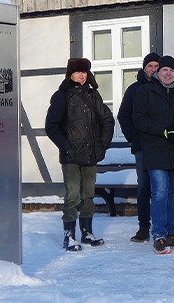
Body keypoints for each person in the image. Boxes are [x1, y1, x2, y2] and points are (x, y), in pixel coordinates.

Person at [45, 57, 115, 251]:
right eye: (77, 72)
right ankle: (69, 235)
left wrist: (102, 145)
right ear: (70, 74)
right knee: (72, 197)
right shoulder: (62, 96)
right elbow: (51, 126)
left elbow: (108, 120)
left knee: (88, 196)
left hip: (91, 155)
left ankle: (86, 233)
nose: (81, 76)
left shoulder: (93, 96)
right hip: (72, 157)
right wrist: (66, 146)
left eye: (84, 72)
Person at [133, 56, 174, 255]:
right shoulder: (145, 91)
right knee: (160, 193)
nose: (168, 73)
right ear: (158, 73)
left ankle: (171, 233)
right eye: (164, 70)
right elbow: (138, 119)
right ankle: (158, 235)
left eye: (172, 70)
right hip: (155, 150)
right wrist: (163, 131)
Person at [117, 52, 160, 242]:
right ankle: (144, 227)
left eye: (156, 66)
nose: (153, 70)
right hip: (142, 146)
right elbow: (123, 115)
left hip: (161, 146)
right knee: (144, 186)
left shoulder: (166, 88)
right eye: (149, 66)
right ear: (144, 69)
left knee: (161, 187)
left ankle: (163, 227)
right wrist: (133, 137)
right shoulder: (134, 89)